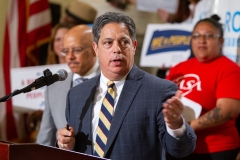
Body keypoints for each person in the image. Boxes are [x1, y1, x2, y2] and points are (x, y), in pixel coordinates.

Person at [57, 12, 196, 160]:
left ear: (134, 46)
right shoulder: (77, 95)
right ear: (96, 48)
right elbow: (74, 149)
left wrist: (175, 125)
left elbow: (181, 150)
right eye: (108, 42)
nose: (117, 49)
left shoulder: (159, 90)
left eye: (124, 42)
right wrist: (66, 144)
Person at [166, 15, 240, 160]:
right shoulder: (178, 68)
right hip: (177, 147)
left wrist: (186, 126)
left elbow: (228, 110)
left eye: (209, 36)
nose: (201, 40)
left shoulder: (229, 69)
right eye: (196, 36)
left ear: (221, 41)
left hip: (215, 149)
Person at [36, 25, 100, 146]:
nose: (70, 57)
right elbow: (45, 138)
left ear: (94, 49)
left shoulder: (111, 80)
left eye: (77, 50)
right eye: (66, 51)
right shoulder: (54, 88)